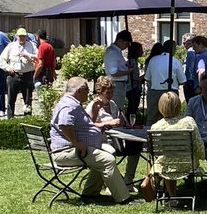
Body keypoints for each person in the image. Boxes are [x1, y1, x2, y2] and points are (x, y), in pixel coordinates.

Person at [49, 77, 141, 205]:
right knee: (107, 159)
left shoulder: (72, 103)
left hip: (74, 149)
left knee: (102, 158)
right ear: (80, 90)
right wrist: (76, 143)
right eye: (87, 91)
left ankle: (90, 193)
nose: (88, 94)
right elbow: (65, 124)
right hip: (67, 152)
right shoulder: (69, 106)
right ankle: (124, 198)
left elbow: (88, 125)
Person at [142, 91, 205, 205]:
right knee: (169, 161)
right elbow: (198, 144)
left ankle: (171, 197)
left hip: (166, 166)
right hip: (188, 164)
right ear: (178, 105)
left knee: (166, 161)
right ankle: (171, 196)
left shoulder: (156, 126)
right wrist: (201, 156)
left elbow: (154, 152)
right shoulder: (189, 122)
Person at [88, 75, 141, 184]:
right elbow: (89, 126)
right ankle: (112, 182)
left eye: (112, 92)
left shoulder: (113, 105)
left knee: (137, 146)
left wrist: (121, 121)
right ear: (100, 92)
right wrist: (108, 123)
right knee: (110, 151)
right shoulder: (93, 106)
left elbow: (118, 122)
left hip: (118, 140)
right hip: (101, 141)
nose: (110, 95)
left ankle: (128, 180)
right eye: (107, 93)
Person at [0, 28, 38, 118]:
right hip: (14, 75)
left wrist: (28, 57)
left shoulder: (31, 45)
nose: (21, 38)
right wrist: (8, 68)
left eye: (23, 36)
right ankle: (10, 117)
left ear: (26, 37)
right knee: (11, 98)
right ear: (16, 36)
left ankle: (28, 118)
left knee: (28, 99)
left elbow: (37, 58)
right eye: (20, 36)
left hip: (27, 75)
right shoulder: (11, 46)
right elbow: (2, 60)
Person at [145, 40, 184, 124]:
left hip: (154, 92)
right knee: (172, 118)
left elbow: (147, 78)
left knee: (152, 118)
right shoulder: (175, 61)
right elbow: (183, 80)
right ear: (173, 49)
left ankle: (148, 135)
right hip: (171, 93)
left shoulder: (153, 60)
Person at [104, 30, 132, 109]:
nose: (126, 47)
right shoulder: (113, 52)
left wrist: (126, 66)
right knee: (116, 108)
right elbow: (114, 72)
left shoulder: (117, 51)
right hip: (116, 84)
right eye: (126, 44)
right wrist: (129, 71)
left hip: (119, 84)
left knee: (118, 108)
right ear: (120, 41)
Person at [124, 41, 144, 125]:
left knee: (133, 108)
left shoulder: (134, 61)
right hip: (133, 88)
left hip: (134, 88)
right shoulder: (132, 62)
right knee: (132, 108)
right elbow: (133, 77)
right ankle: (129, 123)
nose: (142, 52)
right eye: (140, 50)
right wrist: (143, 77)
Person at [182, 36, 199, 101]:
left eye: (184, 43)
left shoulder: (190, 52)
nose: (184, 45)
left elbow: (190, 68)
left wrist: (188, 81)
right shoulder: (194, 52)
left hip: (190, 81)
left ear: (189, 43)